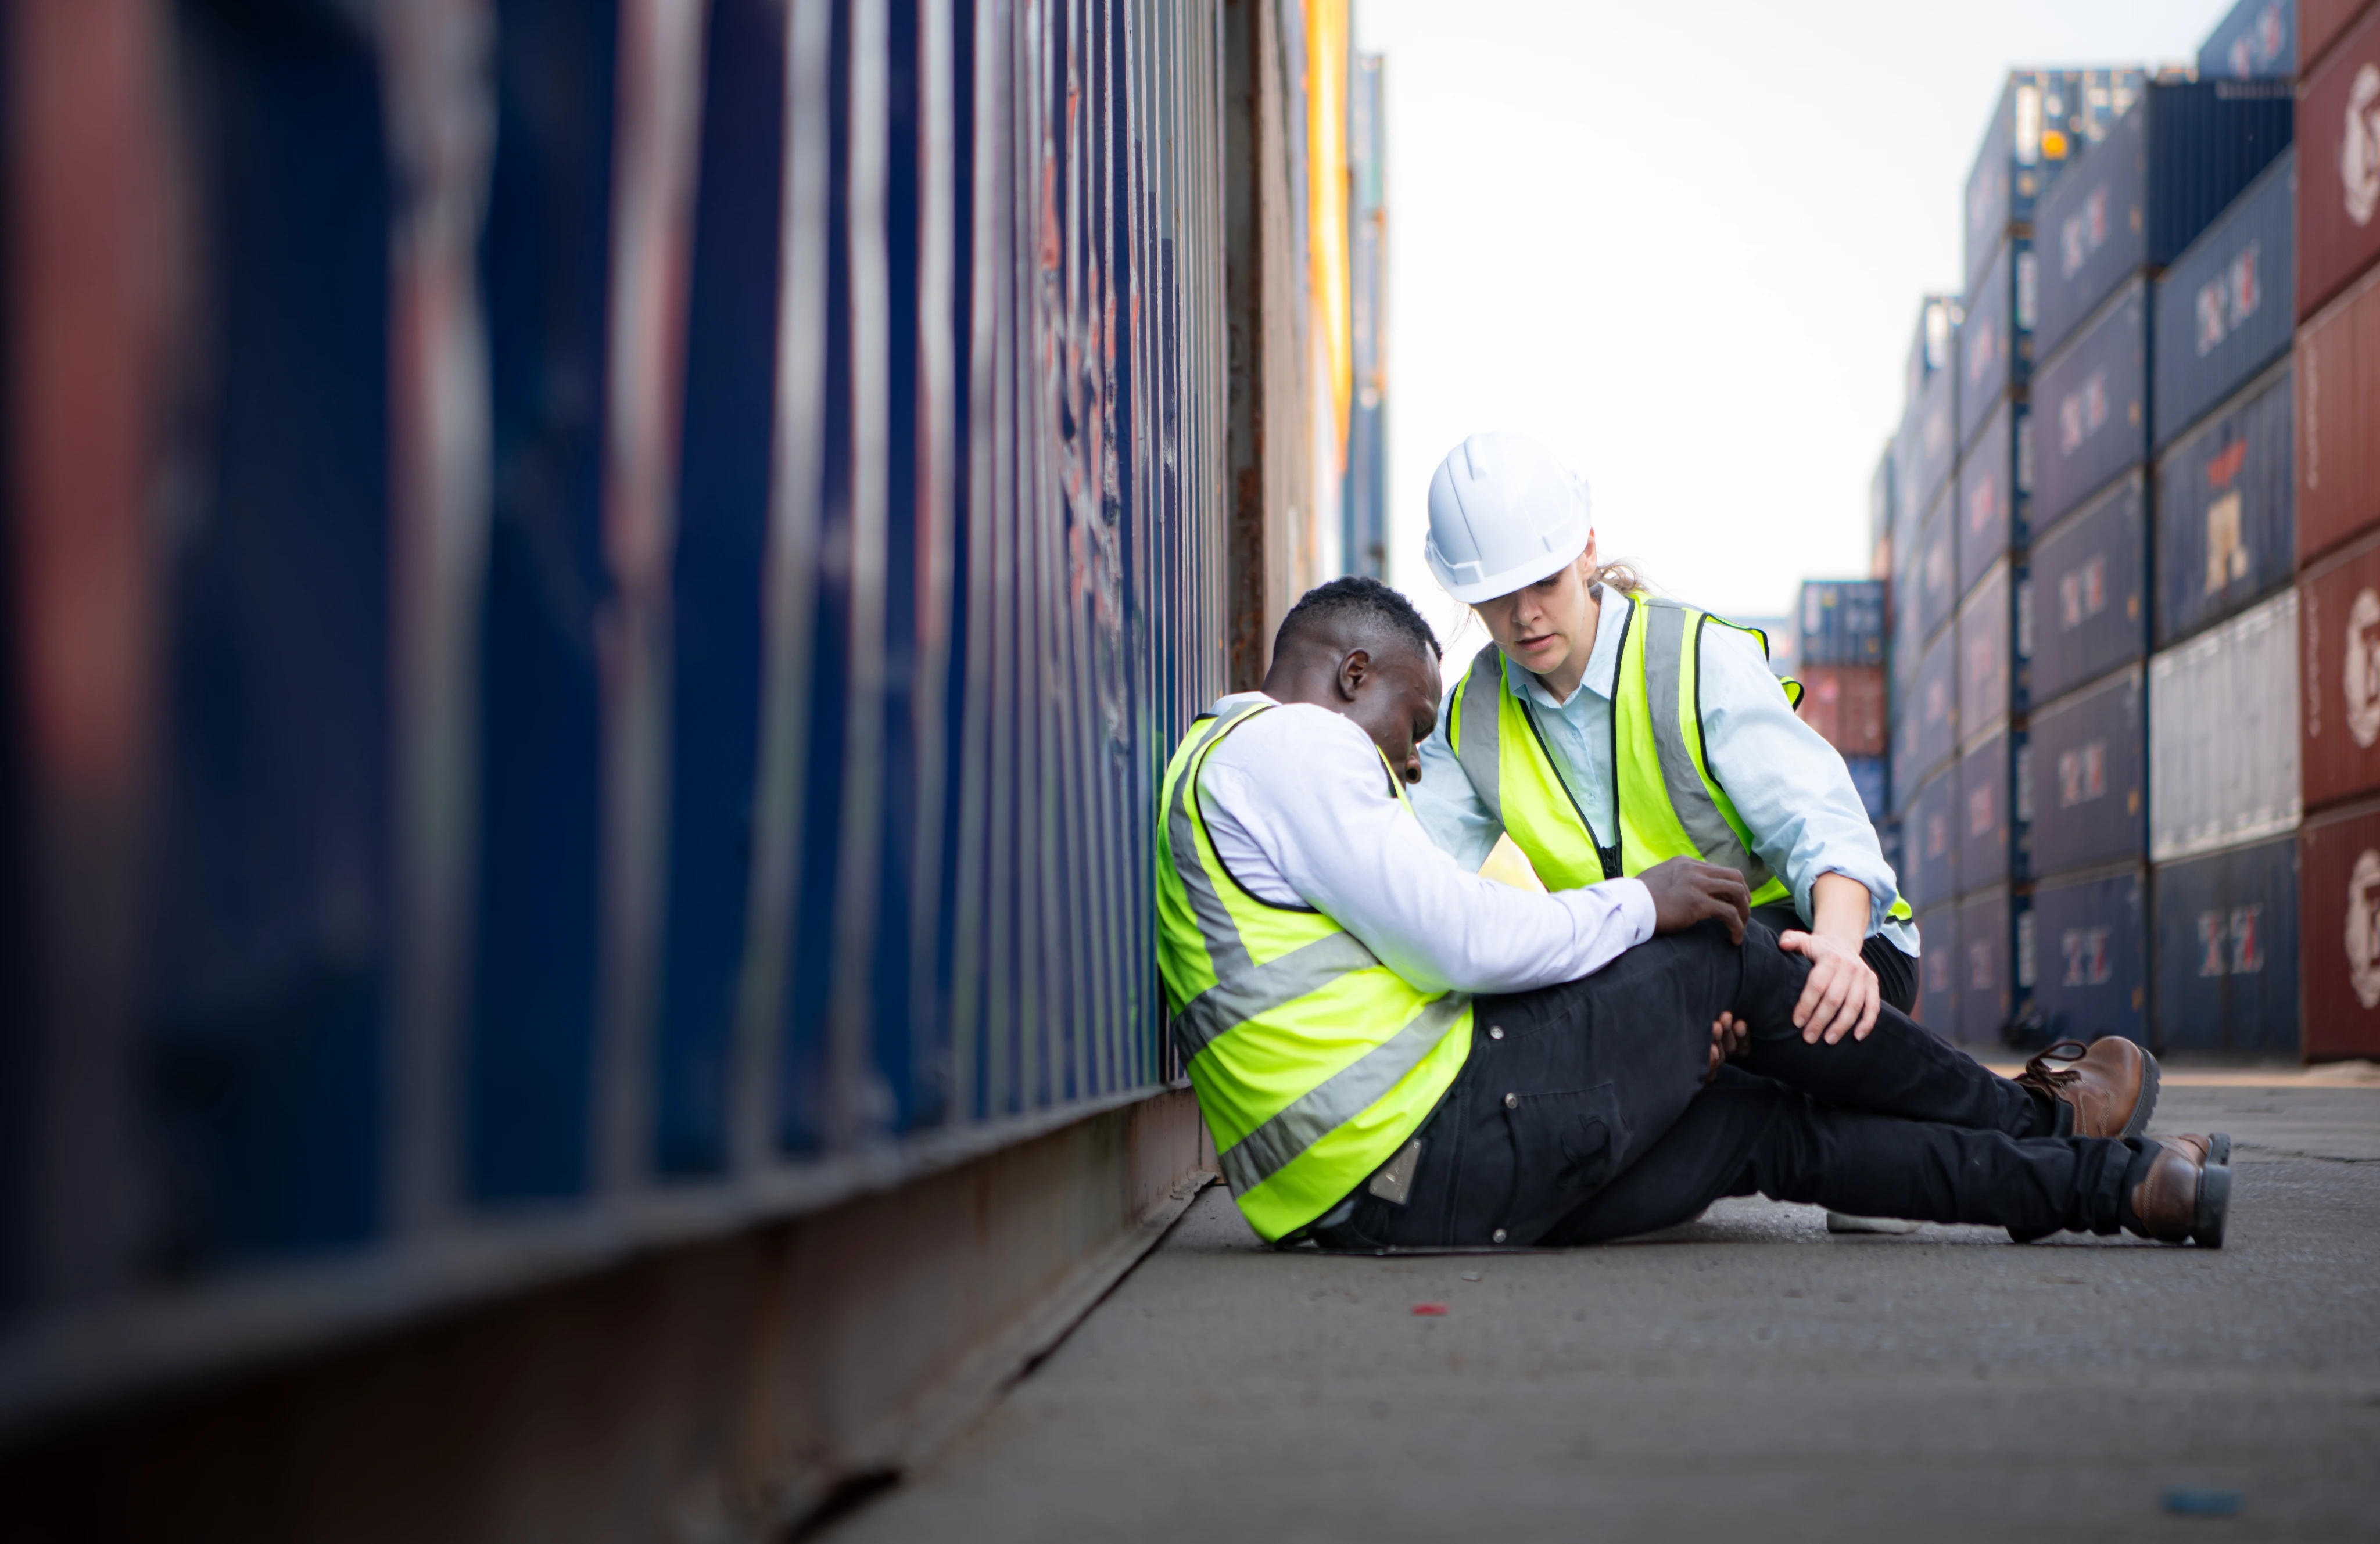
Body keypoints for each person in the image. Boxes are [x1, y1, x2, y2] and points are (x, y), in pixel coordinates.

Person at [1154, 575, 2227, 1254]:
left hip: (1382, 1202)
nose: (1415, 756)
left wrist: (1649, 1050)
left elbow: (1415, 962)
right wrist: (1644, 900)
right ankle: (2046, 1122)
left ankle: (2115, 1188)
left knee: (1764, 1125)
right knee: (1724, 947)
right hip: (1431, 1137)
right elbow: (1458, 941)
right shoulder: (1295, 745)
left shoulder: (1207, 765)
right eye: (1411, 720)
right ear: (1353, 674)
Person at [1411, 430, 1926, 1053]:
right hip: (1658, 969)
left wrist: (1838, 946)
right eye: (1497, 596)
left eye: (1543, 582)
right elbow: (1409, 871)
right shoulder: (1468, 721)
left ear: (1585, 552)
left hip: (1833, 938)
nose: (1524, 615)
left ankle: (2014, 1103)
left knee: (1680, 977)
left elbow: (1822, 826)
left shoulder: (1692, 658)